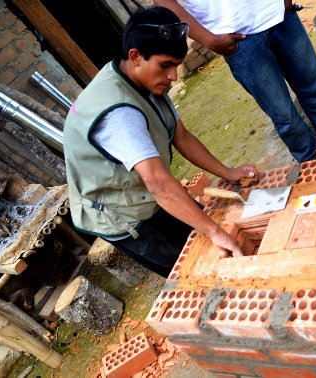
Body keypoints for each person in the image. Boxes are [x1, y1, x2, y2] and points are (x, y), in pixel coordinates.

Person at [63, 6, 258, 277]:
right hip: (122, 215)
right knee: (195, 274)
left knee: (209, 237)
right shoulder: (119, 114)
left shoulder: (148, 83)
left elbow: (183, 137)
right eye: (165, 65)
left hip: (149, 191)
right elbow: (157, 182)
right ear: (135, 56)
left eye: (176, 66)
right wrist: (213, 231)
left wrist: (229, 173)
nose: (173, 77)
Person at [153, 0, 316, 163]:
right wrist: (209, 40)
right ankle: (312, 164)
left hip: (279, 14)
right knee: (283, 114)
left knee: (314, 89)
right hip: (238, 40)